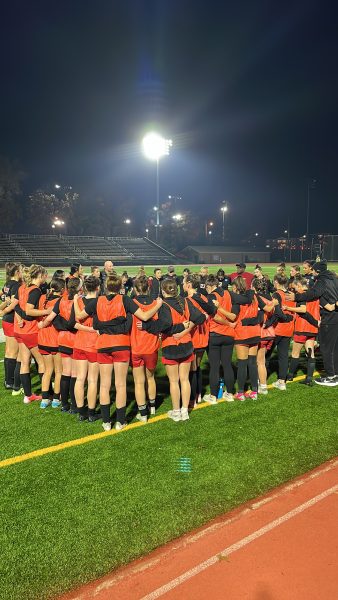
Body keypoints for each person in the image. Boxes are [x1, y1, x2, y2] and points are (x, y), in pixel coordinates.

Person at [74, 274, 162, 431]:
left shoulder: (98, 300)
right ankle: (120, 421)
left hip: (102, 344)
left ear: (106, 287)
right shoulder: (125, 299)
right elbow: (144, 316)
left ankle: (106, 422)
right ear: (121, 286)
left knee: (105, 385)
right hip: (121, 344)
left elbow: (79, 316)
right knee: (120, 384)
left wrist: (75, 300)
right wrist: (158, 305)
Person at [141, 279, 206, 422]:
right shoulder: (185, 302)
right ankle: (184, 410)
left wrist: (146, 325)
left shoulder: (164, 305)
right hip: (187, 344)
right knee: (184, 379)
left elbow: (164, 325)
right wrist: (185, 329)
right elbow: (200, 318)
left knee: (174, 381)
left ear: (163, 291)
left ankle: (176, 412)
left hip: (171, 345)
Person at [286, 261, 338, 386]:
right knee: (335, 348)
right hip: (334, 317)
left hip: (327, 320)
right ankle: (335, 374)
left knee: (326, 348)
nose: (312, 273)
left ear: (318, 271)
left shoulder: (321, 281)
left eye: (313, 271)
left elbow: (314, 293)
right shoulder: (334, 279)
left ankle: (331, 377)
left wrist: (296, 298)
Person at [39, 278, 82, 413]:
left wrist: (41, 324)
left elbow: (50, 317)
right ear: (80, 288)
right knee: (74, 373)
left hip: (62, 338)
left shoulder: (61, 301)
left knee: (65, 372)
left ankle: (64, 404)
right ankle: (74, 404)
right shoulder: (79, 301)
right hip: (74, 338)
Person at [14, 265, 50, 404]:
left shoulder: (22, 287)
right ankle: (47, 394)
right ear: (39, 275)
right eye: (44, 275)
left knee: (25, 362)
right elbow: (29, 311)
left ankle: (28, 395)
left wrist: (19, 320)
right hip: (31, 331)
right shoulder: (35, 290)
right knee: (42, 363)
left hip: (20, 330)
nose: (45, 278)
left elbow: (16, 305)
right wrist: (47, 312)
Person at [130, 276, 160, 421]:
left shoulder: (131, 303)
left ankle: (142, 413)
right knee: (151, 378)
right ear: (148, 288)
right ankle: (152, 407)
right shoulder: (156, 304)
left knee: (139, 382)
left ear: (135, 289)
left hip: (136, 347)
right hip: (151, 347)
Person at [73, 275, 101, 422]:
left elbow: (74, 323)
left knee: (80, 378)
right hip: (93, 344)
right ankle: (91, 413)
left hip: (79, 342)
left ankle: (81, 412)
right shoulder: (99, 302)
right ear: (98, 287)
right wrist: (92, 330)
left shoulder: (77, 301)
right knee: (92, 380)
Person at [183, 274, 213, 404]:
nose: (182, 285)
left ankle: (192, 398)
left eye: (184, 283)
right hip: (203, 336)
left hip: (193, 336)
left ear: (188, 285)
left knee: (192, 369)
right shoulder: (203, 297)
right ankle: (198, 394)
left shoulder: (187, 300)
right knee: (197, 367)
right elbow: (211, 310)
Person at [284, 278, 320, 386]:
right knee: (310, 353)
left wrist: (288, 308)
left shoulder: (301, 295)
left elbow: (303, 310)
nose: (295, 290)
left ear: (299, 285)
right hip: (312, 329)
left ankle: (290, 376)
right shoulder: (315, 295)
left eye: (295, 287)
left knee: (295, 353)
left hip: (302, 328)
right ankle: (309, 378)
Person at [37, 278, 65, 408]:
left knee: (48, 370)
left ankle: (44, 399)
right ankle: (55, 399)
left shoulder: (43, 298)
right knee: (59, 371)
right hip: (54, 339)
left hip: (42, 338)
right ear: (62, 289)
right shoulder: (59, 301)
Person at [231, 277, 260, 400]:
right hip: (255, 333)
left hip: (242, 334)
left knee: (242, 364)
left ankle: (241, 392)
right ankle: (254, 391)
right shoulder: (253, 297)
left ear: (235, 287)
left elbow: (233, 317)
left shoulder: (237, 301)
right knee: (252, 363)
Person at [269, 274, 296, 391]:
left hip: (278, 328)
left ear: (276, 282)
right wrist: (289, 319)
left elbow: (278, 312)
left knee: (265, 354)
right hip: (289, 328)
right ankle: (281, 381)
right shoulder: (290, 294)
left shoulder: (276, 294)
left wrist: (285, 318)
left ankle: (260, 381)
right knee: (283, 356)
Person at [252, 277, 277, 395]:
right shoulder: (271, 298)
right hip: (270, 332)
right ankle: (260, 383)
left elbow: (263, 312)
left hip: (261, 332)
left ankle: (262, 386)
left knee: (259, 362)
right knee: (261, 361)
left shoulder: (257, 298)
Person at [0, 262, 22, 392]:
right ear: (17, 272)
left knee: (9, 350)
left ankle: (8, 380)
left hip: (6, 320)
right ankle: (11, 381)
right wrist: (5, 309)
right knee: (13, 352)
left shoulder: (7, 284)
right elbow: (14, 303)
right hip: (12, 319)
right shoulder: (16, 285)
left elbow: (4, 297)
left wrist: (3, 309)